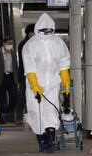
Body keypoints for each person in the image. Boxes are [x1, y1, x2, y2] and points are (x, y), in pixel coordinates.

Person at [22, 13, 70, 153]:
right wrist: (35, 87)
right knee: (37, 113)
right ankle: (42, 143)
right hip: (36, 85)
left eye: (50, 31)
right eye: (44, 31)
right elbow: (29, 68)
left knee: (52, 112)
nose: (47, 33)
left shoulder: (58, 43)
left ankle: (50, 141)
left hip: (53, 84)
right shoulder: (31, 45)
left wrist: (65, 83)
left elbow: (63, 64)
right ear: (38, 30)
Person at [0, 37, 18, 124]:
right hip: (1, 78)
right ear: (3, 43)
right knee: (0, 99)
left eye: (11, 43)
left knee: (15, 97)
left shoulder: (13, 53)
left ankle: (7, 113)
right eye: (8, 43)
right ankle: (0, 117)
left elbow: (15, 66)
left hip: (11, 77)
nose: (10, 45)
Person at [16, 24, 35, 124]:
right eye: (32, 33)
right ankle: (18, 117)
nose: (34, 35)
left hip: (33, 74)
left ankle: (33, 116)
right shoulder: (24, 44)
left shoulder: (35, 43)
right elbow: (24, 62)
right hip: (25, 74)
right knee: (23, 96)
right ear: (28, 33)